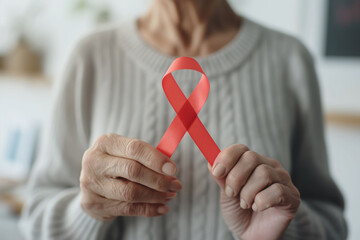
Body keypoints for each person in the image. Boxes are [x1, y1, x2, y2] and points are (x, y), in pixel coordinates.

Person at [20, 0, 347, 239]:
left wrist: (284, 228)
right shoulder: (88, 57)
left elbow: (332, 224)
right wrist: (86, 211)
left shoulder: (290, 60)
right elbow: (33, 221)